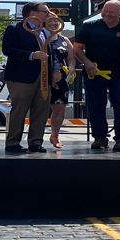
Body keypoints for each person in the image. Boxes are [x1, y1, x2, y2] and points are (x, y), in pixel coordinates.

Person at [73, 0, 120, 151]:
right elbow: (77, 49)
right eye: (105, 12)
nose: (107, 15)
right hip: (94, 72)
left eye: (111, 12)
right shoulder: (89, 26)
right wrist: (87, 63)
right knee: (95, 105)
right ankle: (100, 138)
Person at [1, 2, 52, 154]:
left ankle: (36, 141)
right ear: (32, 13)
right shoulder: (15, 29)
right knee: (19, 109)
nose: (48, 16)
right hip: (21, 77)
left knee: (41, 110)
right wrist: (31, 55)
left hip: (43, 78)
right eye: (45, 12)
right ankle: (13, 142)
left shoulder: (45, 31)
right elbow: (7, 49)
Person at [44, 14, 75, 149]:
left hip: (61, 80)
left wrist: (71, 68)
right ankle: (35, 138)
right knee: (40, 109)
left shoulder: (64, 40)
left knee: (59, 109)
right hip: (42, 79)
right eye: (50, 21)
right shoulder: (39, 37)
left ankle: (55, 135)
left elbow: (71, 58)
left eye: (56, 21)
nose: (53, 23)